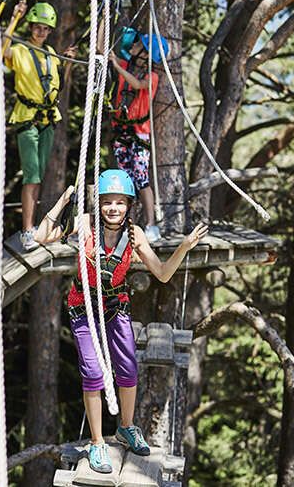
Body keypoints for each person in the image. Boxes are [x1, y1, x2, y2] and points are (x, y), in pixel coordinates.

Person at [34, 169, 208, 473]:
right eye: (107, 202)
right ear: (98, 204)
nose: (113, 208)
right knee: (92, 373)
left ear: (129, 205)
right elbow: (40, 236)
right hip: (84, 307)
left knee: (127, 368)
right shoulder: (85, 225)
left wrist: (184, 246)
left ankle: (126, 427)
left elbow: (164, 273)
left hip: (116, 306)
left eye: (120, 202)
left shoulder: (134, 234)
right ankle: (98, 442)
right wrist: (62, 201)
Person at [3, 0, 77, 251]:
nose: (41, 32)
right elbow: (2, 51)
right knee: (32, 175)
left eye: (46, 29)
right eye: (37, 27)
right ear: (31, 26)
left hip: (47, 120)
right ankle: (27, 230)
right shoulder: (21, 49)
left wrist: (66, 62)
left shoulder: (50, 56)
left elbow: (58, 89)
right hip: (27, 118)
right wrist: (14, 19)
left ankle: (34, 227)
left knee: (39, 175)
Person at [105, 27, 170, 242]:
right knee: (125, 180)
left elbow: (138, 84)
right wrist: (105, 15)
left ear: (146, 53)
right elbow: (99, 48)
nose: (133, 46)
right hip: (121, 133)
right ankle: (125, 225)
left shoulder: (152, 76)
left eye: (139, 45)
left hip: (139, 135)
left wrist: (117, 67)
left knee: (141, 179)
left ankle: (151, 224)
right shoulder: (125, 65)